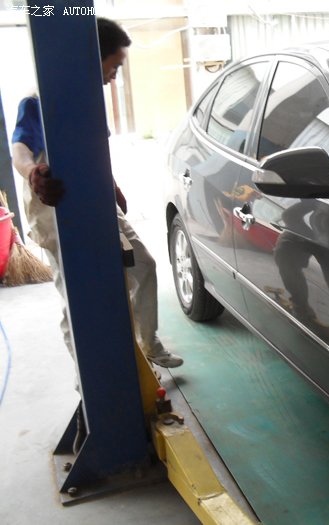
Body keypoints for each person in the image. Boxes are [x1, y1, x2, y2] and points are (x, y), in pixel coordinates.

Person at [11, 17, 183, 368]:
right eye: (113, 67)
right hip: (55, 210)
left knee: (143, 266)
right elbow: (20, 149)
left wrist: (112, 184)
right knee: (75, 296)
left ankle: (147, 343)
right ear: (92, 58)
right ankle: (87, 377)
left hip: (97, 202)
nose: (114, 77)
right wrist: (32, 173)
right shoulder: (39, 100)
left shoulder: (89, 97)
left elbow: (95, 149)